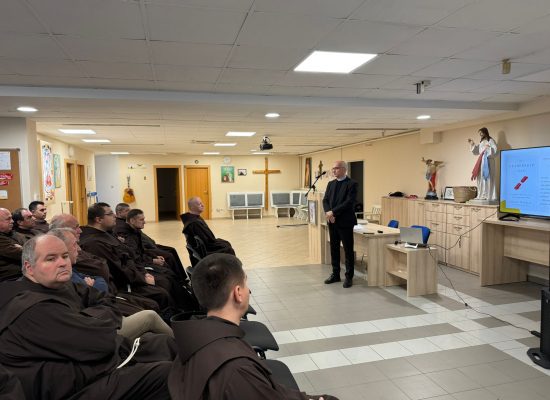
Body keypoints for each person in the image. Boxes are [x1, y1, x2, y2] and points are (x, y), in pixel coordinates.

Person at [0, 235, 175, 400]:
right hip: (72, 387)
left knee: (166, 343)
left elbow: (106, 301)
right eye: (51, 259)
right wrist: (93, 320)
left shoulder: (61, 285)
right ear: (29, 268)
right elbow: (102, 343)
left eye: (65, 256)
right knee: (168, 374)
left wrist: (86, 320)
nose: (62, 263)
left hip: (92, 364)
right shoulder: (31, 307)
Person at [168, 253, 337, 400]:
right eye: (246, 283)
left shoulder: (192, 339)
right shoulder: (238, 370)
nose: (248, 290)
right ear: (238, 293)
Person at [79, 202, 176, 314]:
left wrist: (143, 272)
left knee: (167, 276)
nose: (114, 216)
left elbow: (129, 255)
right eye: (110, 214)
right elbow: (118, 269)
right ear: (99, 219)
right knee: (162, 289)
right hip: (123, 284)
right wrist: (142, 277)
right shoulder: (95, 243)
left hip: (134, 272)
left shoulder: (106, 233)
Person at [322, 161, 358, 288]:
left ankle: (349, 277)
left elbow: (349, 202)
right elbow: (325, 200)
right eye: (333, 168)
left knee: (348, 250)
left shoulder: (352, 184)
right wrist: (329, 213)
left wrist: (333, 212)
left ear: (344, 169)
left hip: (345, 222)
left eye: (336, 168)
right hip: (332, 221)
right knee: (334, 248)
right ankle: (335, 274)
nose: (334, 170)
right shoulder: (331, 184)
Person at [468, 127, 498, 201]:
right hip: (481, 162)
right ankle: (481, 194)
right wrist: (472, 144)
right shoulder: (481, 142)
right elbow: (477, 151)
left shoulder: (490, 140)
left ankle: (489, 195)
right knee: (480, 178)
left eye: (481, 133)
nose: (480, 134)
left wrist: (488, 148)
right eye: (479, 133)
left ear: (485, 132)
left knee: (488, 177)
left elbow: (495, 151)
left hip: (488, 162)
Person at [0, 208, 26, 281]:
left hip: (24, 274)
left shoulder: (12, 233)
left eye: (11, 218)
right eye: (8, 219)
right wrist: (23, 248)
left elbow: (27, 246)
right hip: (11, 279)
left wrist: (22, 247)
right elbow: (21, 254)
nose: (12, 221)